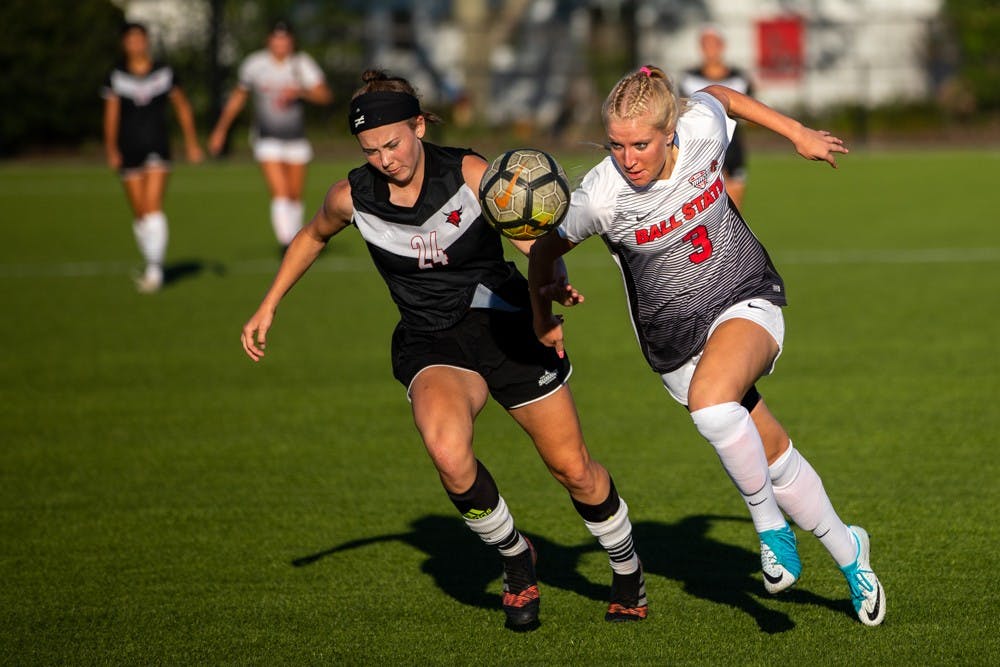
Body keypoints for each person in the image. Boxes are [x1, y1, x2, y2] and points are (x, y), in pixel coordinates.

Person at [240, 69, 647, 629]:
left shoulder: (469, 172)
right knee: (448, 454)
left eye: (393, 142)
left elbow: (530, 235)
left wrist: (549, 283)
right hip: (432, 339)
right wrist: (270, 303)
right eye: (371, 149)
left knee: (573, 469)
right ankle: (517, 560)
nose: (385, 158)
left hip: (506, 326)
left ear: (419, 125)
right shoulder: (351, 196)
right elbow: (311, 236)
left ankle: (626, 567)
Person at [528, 65, 886, 627]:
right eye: (616, 145)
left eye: (640, 143)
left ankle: (768, 528)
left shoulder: (701, 128)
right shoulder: (600, 194)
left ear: (671, 131)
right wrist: (543, 308)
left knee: (714, 404)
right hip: (675, 345)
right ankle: (850, 554)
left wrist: (796, 133)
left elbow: (721, 96)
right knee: (773, 453)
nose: (628, 158)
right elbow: (544, 249)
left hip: (747, 298)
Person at [209, 20, 332, 250]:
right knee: (281, 192)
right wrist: (220, 130)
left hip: (296, 138)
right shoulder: (255, 64)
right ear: (268, 40)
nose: (281, 43)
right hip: (266, 138)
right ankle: (287, 242)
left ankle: (295, 239)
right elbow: (238, 98)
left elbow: (324, 95)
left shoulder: (301, 64)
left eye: (285, 38)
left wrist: (301, 92)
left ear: (291, 41)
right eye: (277, 38)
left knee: (294, 195)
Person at [102, 21, 203, 293]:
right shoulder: (116, 76)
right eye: (130, 39)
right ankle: (151, 263)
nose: (136, 43)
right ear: (124, 43)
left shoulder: (164, 73)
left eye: (140, 38)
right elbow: (111, 115)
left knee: (152, 205)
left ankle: (156, 270)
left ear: (146, 41)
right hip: (128, 148)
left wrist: (191, 142)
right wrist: (111, 148)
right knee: (140, 213)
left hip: (157, 145)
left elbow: (182, 107)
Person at [679, 26, 752, 209]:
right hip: (700, 150)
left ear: (722, 46)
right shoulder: (688, 79)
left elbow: (751, 112)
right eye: (705, 44)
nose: (710, 49)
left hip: (733, 149)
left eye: (714, 44)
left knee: (735, 212)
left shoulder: (740, 79)